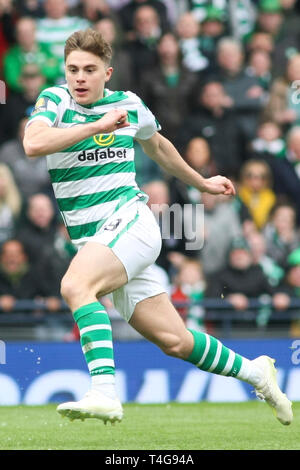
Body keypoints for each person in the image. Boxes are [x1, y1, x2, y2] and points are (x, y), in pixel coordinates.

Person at [23, 28, 293, 426]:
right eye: (73, 69)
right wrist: (96, 128)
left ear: (107, 73)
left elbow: (159, 146)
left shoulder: (129, 105)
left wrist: (201, 182)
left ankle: (104, 392)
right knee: (176, 341)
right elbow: (34, 142)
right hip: (97, 241)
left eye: (89, 70)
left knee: (75, 286)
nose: (79, 77)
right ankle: (258, 373)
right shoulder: (55, 100)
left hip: (132, 223)